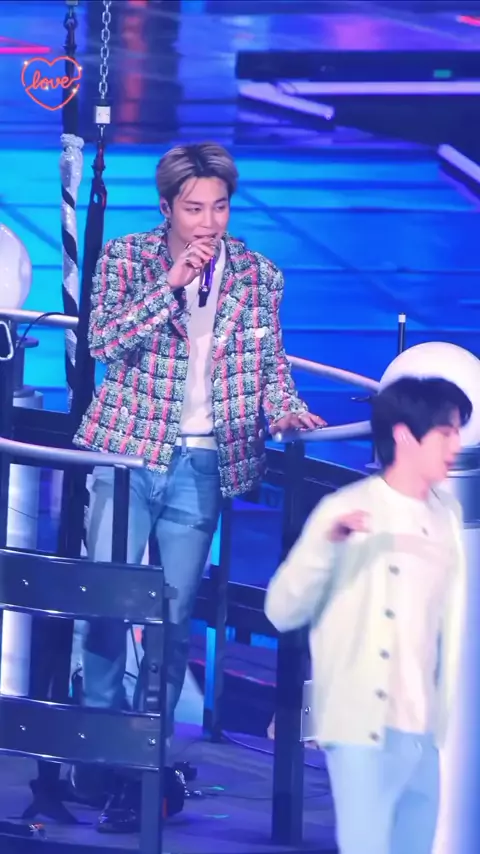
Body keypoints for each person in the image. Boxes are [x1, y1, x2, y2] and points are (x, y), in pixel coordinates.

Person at [73, 141, 325, 826]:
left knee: (173, 616)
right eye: (194, 209)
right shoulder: (128, 259)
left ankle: (145, 763)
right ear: (167, 208)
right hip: (127, 455)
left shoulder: (258, 275)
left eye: (219, 207)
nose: (209, 222)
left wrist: (285, 409)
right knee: (105, 605)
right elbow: (103, 342)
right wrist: (170, 286)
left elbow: (269, 366)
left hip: (202, 465)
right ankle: (95, 750)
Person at [265, 376, 471, 854]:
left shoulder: (447, 517)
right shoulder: (346, 508)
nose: (455, 445)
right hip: (361, 726)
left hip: (422, 730)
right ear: (405, 436)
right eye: (445, 433)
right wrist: (326, 546)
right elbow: (281, 610)